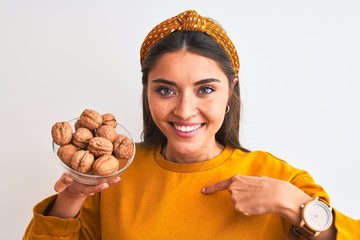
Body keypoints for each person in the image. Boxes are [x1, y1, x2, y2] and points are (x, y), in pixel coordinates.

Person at [23, 9, 359, 240]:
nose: (185, 110)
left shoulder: (276, 176)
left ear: (231, 92)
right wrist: (72, 198)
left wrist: (288, 201)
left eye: (206, 89)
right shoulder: (112, 177)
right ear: (147, 93)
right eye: (166, 89)